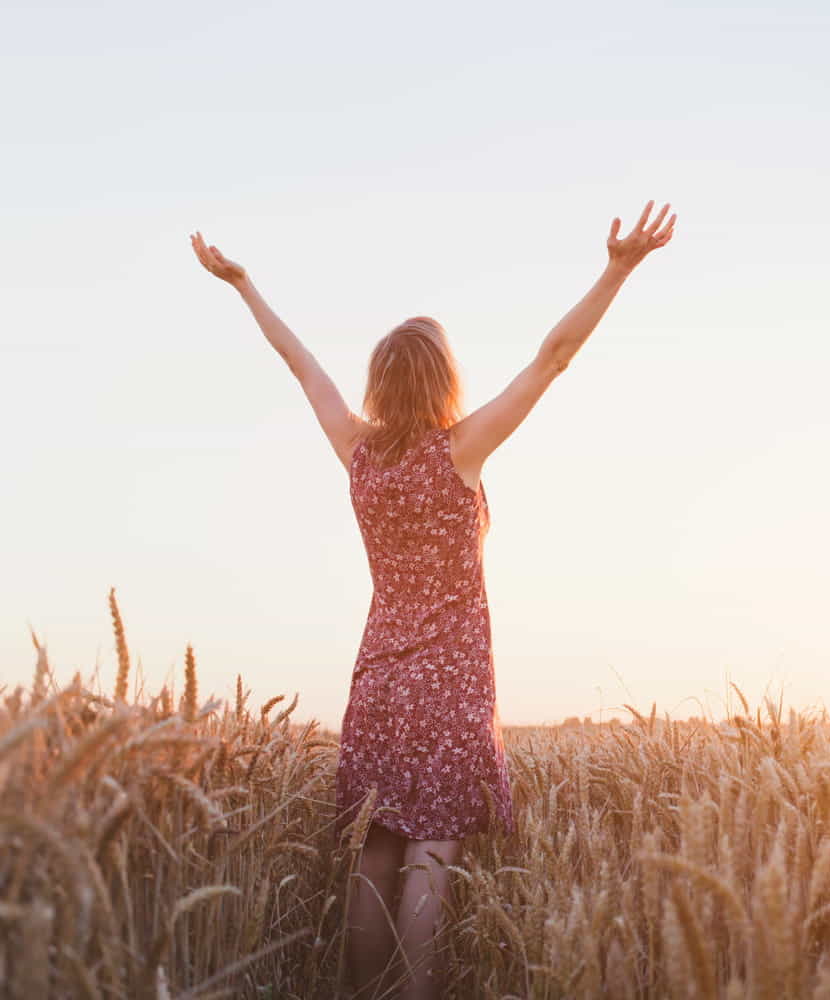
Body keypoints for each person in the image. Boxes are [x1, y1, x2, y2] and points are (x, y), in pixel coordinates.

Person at [189, 201, 676, 999]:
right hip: (450, 680)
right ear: (446, 381)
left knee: (377, 850)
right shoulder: (462, 450)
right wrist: (617, 270)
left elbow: (298, 362)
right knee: (433, 855)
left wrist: (245, 287)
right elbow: (552, 358)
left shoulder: (358, 453)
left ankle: (358, 993)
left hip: (379, 674)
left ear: (380, 383)